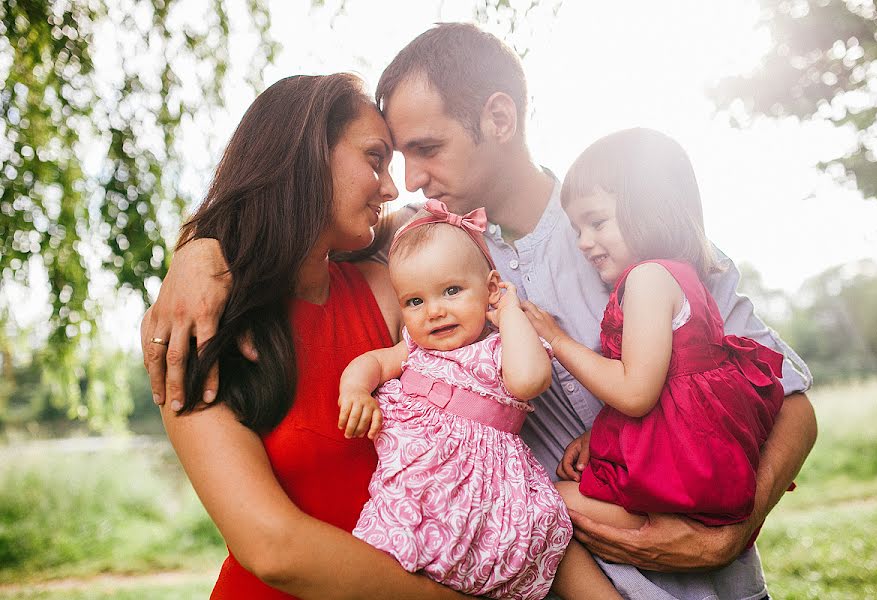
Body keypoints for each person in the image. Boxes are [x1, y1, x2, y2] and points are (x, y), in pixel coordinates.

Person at [143, 23, 817, 599]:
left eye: (423, 150)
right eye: (392, 155)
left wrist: (728, 531)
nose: (403, 180)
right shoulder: (427, 263)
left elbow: (790, 395)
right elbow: (296, 226)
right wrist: (201, 250)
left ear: (498, 118)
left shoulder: (629, 231)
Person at [145, 72, 473, 599]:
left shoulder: (390, 289)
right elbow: (272, 548)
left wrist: (197, 245)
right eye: (374, 159)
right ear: (304, 153)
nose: (391, 187)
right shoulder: (201, 326)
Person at [339, 199, 618, 600]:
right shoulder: (413, 350)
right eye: (414, 301)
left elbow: (529, 380)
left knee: (550, 542)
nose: (434, 311)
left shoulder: (502, 347)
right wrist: (355, 389)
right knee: (391, 558)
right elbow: (373, 362)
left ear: (490, 289)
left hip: (496, 488)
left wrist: (508, 312)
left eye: (451, 291)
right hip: (421, 495)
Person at [521, 128, 786, 546]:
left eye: (597, 222)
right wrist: (601, 437)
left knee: (547, 503)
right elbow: (669, 388)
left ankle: (656, 543)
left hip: (688, 468)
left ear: (648, 209)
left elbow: (635, 392)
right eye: (576, 229)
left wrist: (556, 338)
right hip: (695, 453)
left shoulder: (647, 279)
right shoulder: (679, 274)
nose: (584, 242)